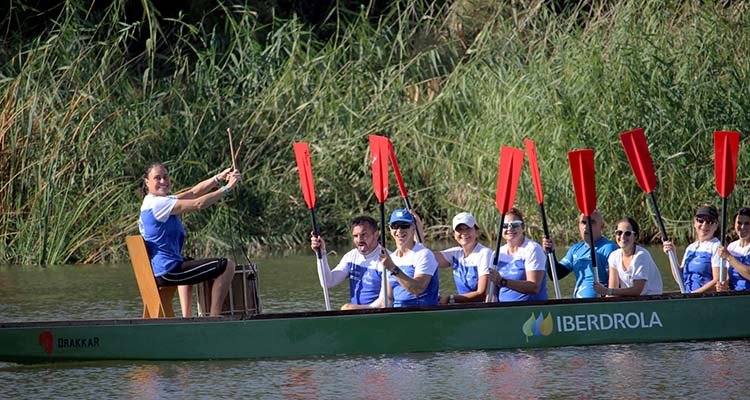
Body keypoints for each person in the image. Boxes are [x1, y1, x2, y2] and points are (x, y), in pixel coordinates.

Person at [138, 162, 240, 317]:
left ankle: (187, 317)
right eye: (157, 178)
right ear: (147, 182)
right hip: (168, 271)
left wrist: (218, 178)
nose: (163, 181)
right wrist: (228, 188)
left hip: (163, 269)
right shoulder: (158, 204)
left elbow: (193, 192)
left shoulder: (152, 202)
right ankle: (215, 318)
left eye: (165, 177)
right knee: (227, 265)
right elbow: (198, 203)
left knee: (188, 261)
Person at [310, 216, 383, 310]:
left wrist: (357, 309)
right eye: (355, 236)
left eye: (364, 235)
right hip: (356, 314)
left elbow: (385, 302)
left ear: (376, 235)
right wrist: (321, 253)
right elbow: (328, 282)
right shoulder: (351, 257)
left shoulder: (387, 259)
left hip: (378, 314)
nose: (359, 239)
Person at [543, 210, 618, 298]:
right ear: (578, 225)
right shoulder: (575, 249)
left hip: (599, 306)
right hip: (578, 306)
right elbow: (556, 275)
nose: (586, 226)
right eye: (583, 222)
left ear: (602, 226)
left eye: (592, 222)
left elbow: (617, 282)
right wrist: (550, 252)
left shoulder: (609, 248)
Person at [378, 209, 440, 307]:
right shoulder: (390, 258)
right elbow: (388, 299)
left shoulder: (424, 254)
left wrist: (393, 268)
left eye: (404, 226)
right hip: (398, 315)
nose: (399, 230)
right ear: (390, 229)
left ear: (413, 228)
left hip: (422, 314)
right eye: (395, 226)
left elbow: (418, 289)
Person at [429, 212, 493, 304]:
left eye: (468, 228)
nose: (464, 233)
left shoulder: (485, 254)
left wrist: (450, 299)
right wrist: (415, 227)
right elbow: (426, 257)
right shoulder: (456, 253)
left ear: (476, 231)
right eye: (459, 229)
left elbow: (481, 294)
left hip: (482, 309)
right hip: (463, 307)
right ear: (454, 234)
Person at [488, 208, 548, 302]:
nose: (509, 228)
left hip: (530, 310)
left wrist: (503, 282)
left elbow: (534, 287)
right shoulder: (497, 253)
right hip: (503, 311)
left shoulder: (532, 249)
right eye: (505, 225)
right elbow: (493, 291)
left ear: (523, 227)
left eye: (515, 224)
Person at [594, 217, 663, 297]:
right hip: (630, 300)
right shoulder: (614, 256)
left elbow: (637, 290)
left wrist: (606, 291)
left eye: (627, 233)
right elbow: (612, 289)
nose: (622, 237)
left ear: (635, 236)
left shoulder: (641, 255)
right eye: (619, 233)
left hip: (651, 299)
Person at [662, 205, 720, 293]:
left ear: (716, 225)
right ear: (694, 223)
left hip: (705, 299)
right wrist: (672, 254)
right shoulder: (691, 247)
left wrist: (694, 295)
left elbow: (718, 281)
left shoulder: (717, 246)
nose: (704, 225)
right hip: (689, 296)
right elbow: (680, 279)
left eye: (710, 222)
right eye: (700, 220)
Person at [716, 207, 750, 291]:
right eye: (739, 223)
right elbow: (728, 276)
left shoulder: (729, 254)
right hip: (735, 295)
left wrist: (729, 257)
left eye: (747, 223)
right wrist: (724, 286)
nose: (742, 227)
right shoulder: (732, 247)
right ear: (734, 225)